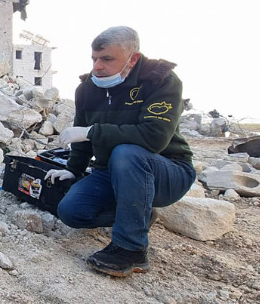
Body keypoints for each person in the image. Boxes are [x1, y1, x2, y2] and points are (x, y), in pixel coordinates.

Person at [47, 26, 195, 277]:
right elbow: (81, 139)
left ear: (133, 58)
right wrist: (72, 170)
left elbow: (154, 137)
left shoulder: (160, 80)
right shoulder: (87, 89)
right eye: (94, 58)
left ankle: (131, 248)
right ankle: (138, 215)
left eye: (107, 59)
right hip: (110, 171)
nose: (97, 67)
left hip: (166, 170)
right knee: (71, 211)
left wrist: (92, 131)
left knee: (127, 152)